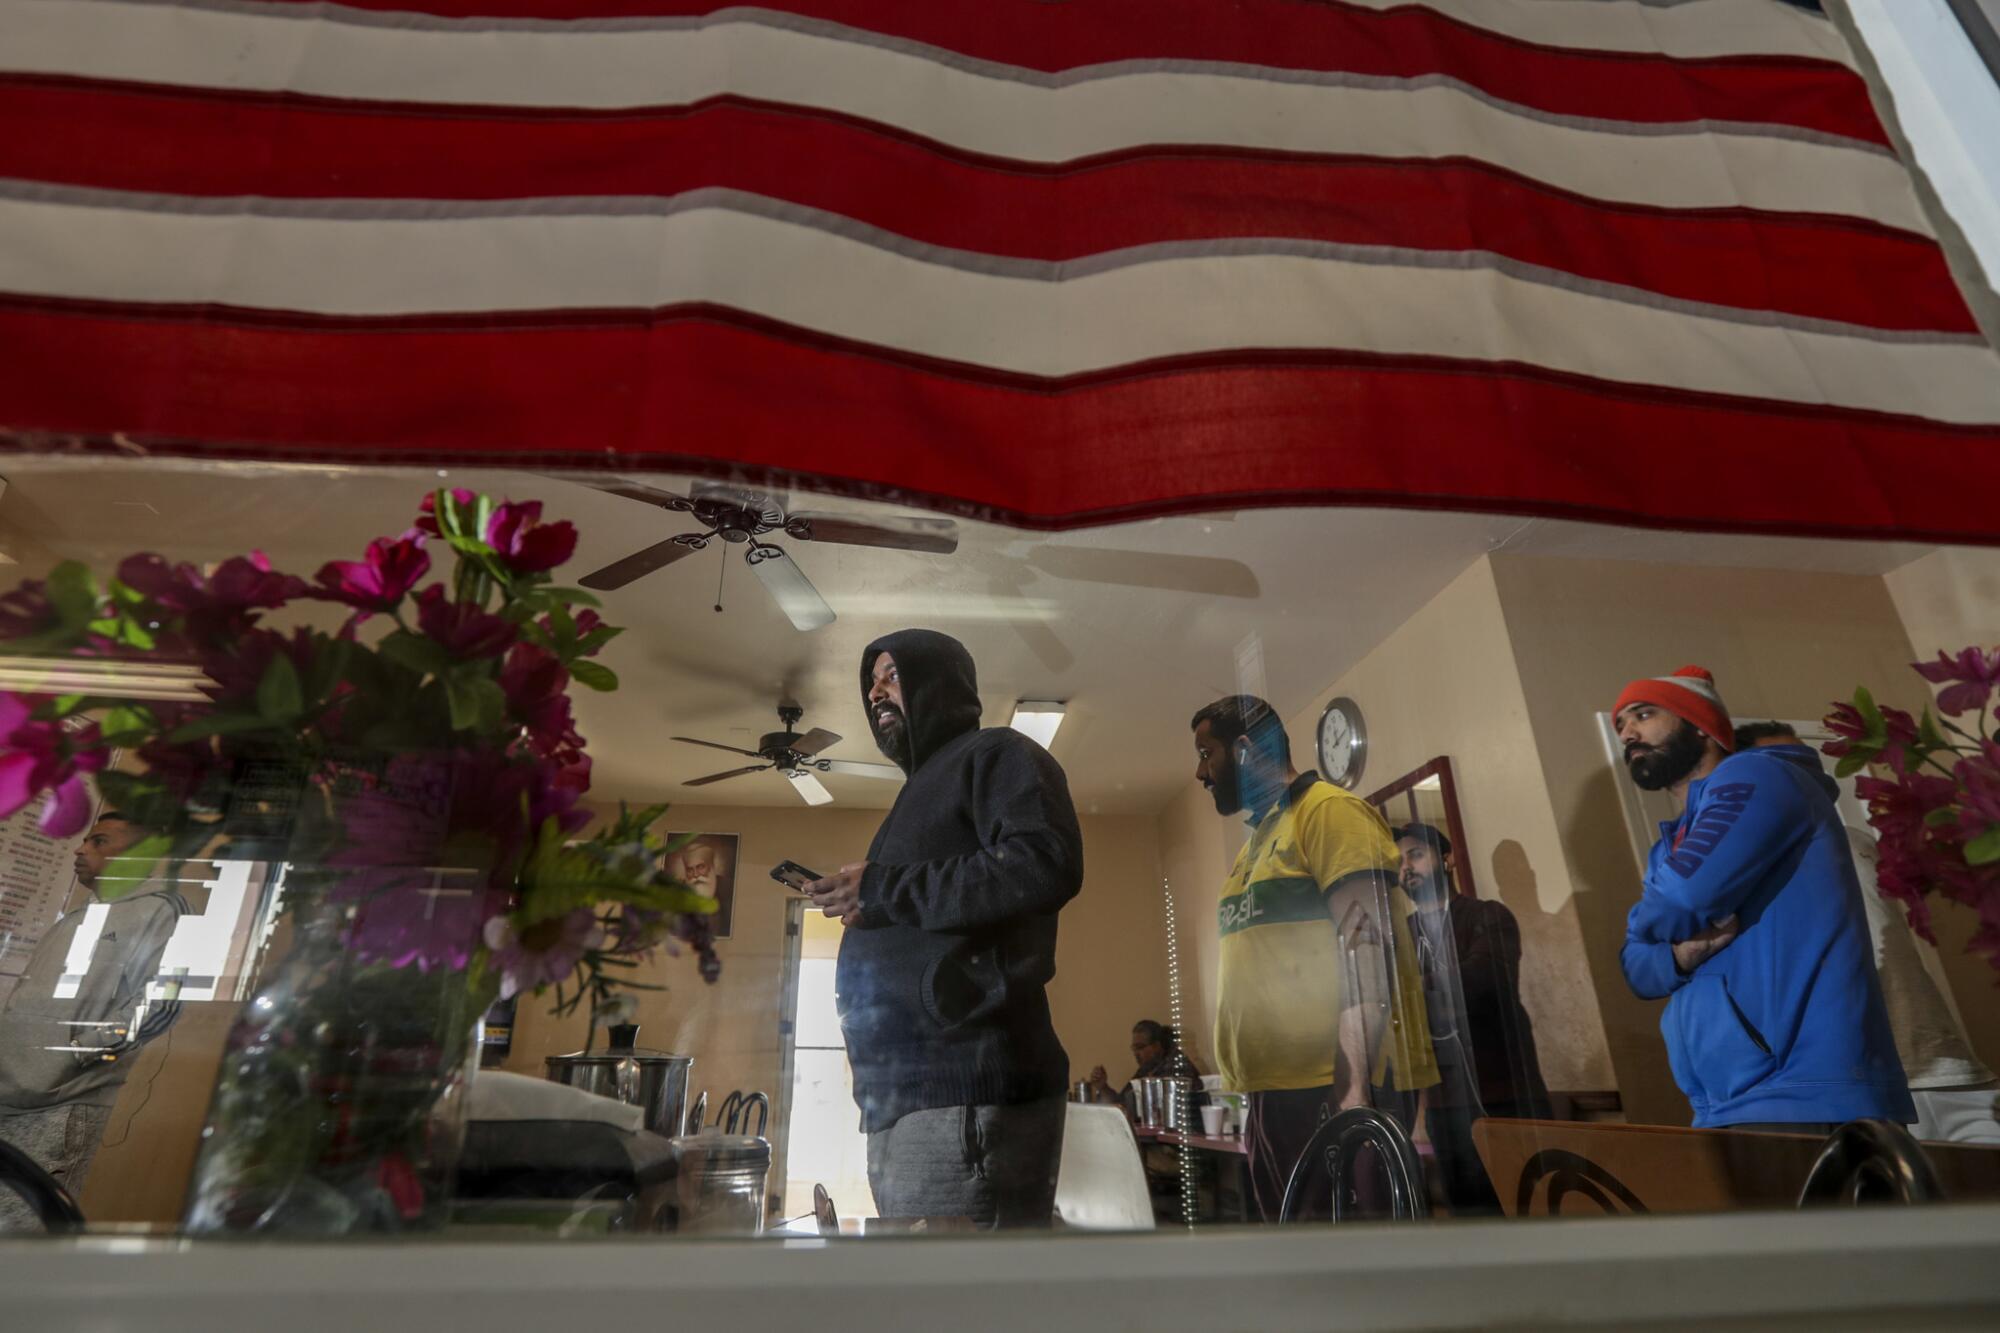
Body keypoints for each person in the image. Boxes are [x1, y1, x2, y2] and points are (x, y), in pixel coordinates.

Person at [806, 629, 1083, 1227]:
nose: (877, 691)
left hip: (964, 1090)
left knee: (962, 1312)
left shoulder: (996, 754)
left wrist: (883, 888)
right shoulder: (916, 796)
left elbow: (1043, 862)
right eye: (871, 681)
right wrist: (874, 904)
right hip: (904, 1101)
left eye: (893, 675)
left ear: (941, 685)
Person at [1614, 668, 1911, 1132]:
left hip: (1804, 1091)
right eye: (1620, 726)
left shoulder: (1758, 776)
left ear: (1700, 725)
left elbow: (1682, 898)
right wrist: (1681, 954)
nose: (1628, 732)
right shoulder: (1666, 846)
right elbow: (1636, 967)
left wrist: (1662, 920)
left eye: (1644, 714)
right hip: (1722, 1100)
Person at [1192, 695, 1436, 1221]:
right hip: (1275, 1089)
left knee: (1352, 1265)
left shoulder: (1328, 812)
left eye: (1206, 754)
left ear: (1242, 749)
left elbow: (1366, 950)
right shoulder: (1260, 838)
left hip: (1328, 1083)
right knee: (1301, 1253)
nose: (1200, 772)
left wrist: (1353, 1088)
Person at [1735, 722, 1999, 1145]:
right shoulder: (1737, 861)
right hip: (1861, 1087)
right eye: (1786, 763)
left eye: (1810, 760)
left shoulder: (1861, 839)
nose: (1809, 772)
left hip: (1948, 1063)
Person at [0, 811, 187, 1230]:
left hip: (59, 1104)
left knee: (25, 1234)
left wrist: (80, 1051)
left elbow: (161, 1002)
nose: (81, 850)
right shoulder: (76, 916)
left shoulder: (161, 911)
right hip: (8, 1096)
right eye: (85, 840)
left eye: (99, 841)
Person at [1394, 822, 1550, 1214]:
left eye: (1415, 855)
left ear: (1447, 859)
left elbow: (1483, 980)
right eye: (1398, 862)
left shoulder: (1487, 916)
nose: (1406, 868)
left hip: (1507, 1097)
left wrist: (1407, 989)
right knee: (1471, 1219)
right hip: (1444, 1105)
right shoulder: (1402, 936)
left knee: (1528, 1213)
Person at [1086, 1019, 1203, 1121]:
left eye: (1140, 1047)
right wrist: (1103, 1087)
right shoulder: (1147, 1068)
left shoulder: (1177, 1065)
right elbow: (1122, 1105)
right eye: (1134, 1049)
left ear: (1157, 1046)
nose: (1136, 1054)